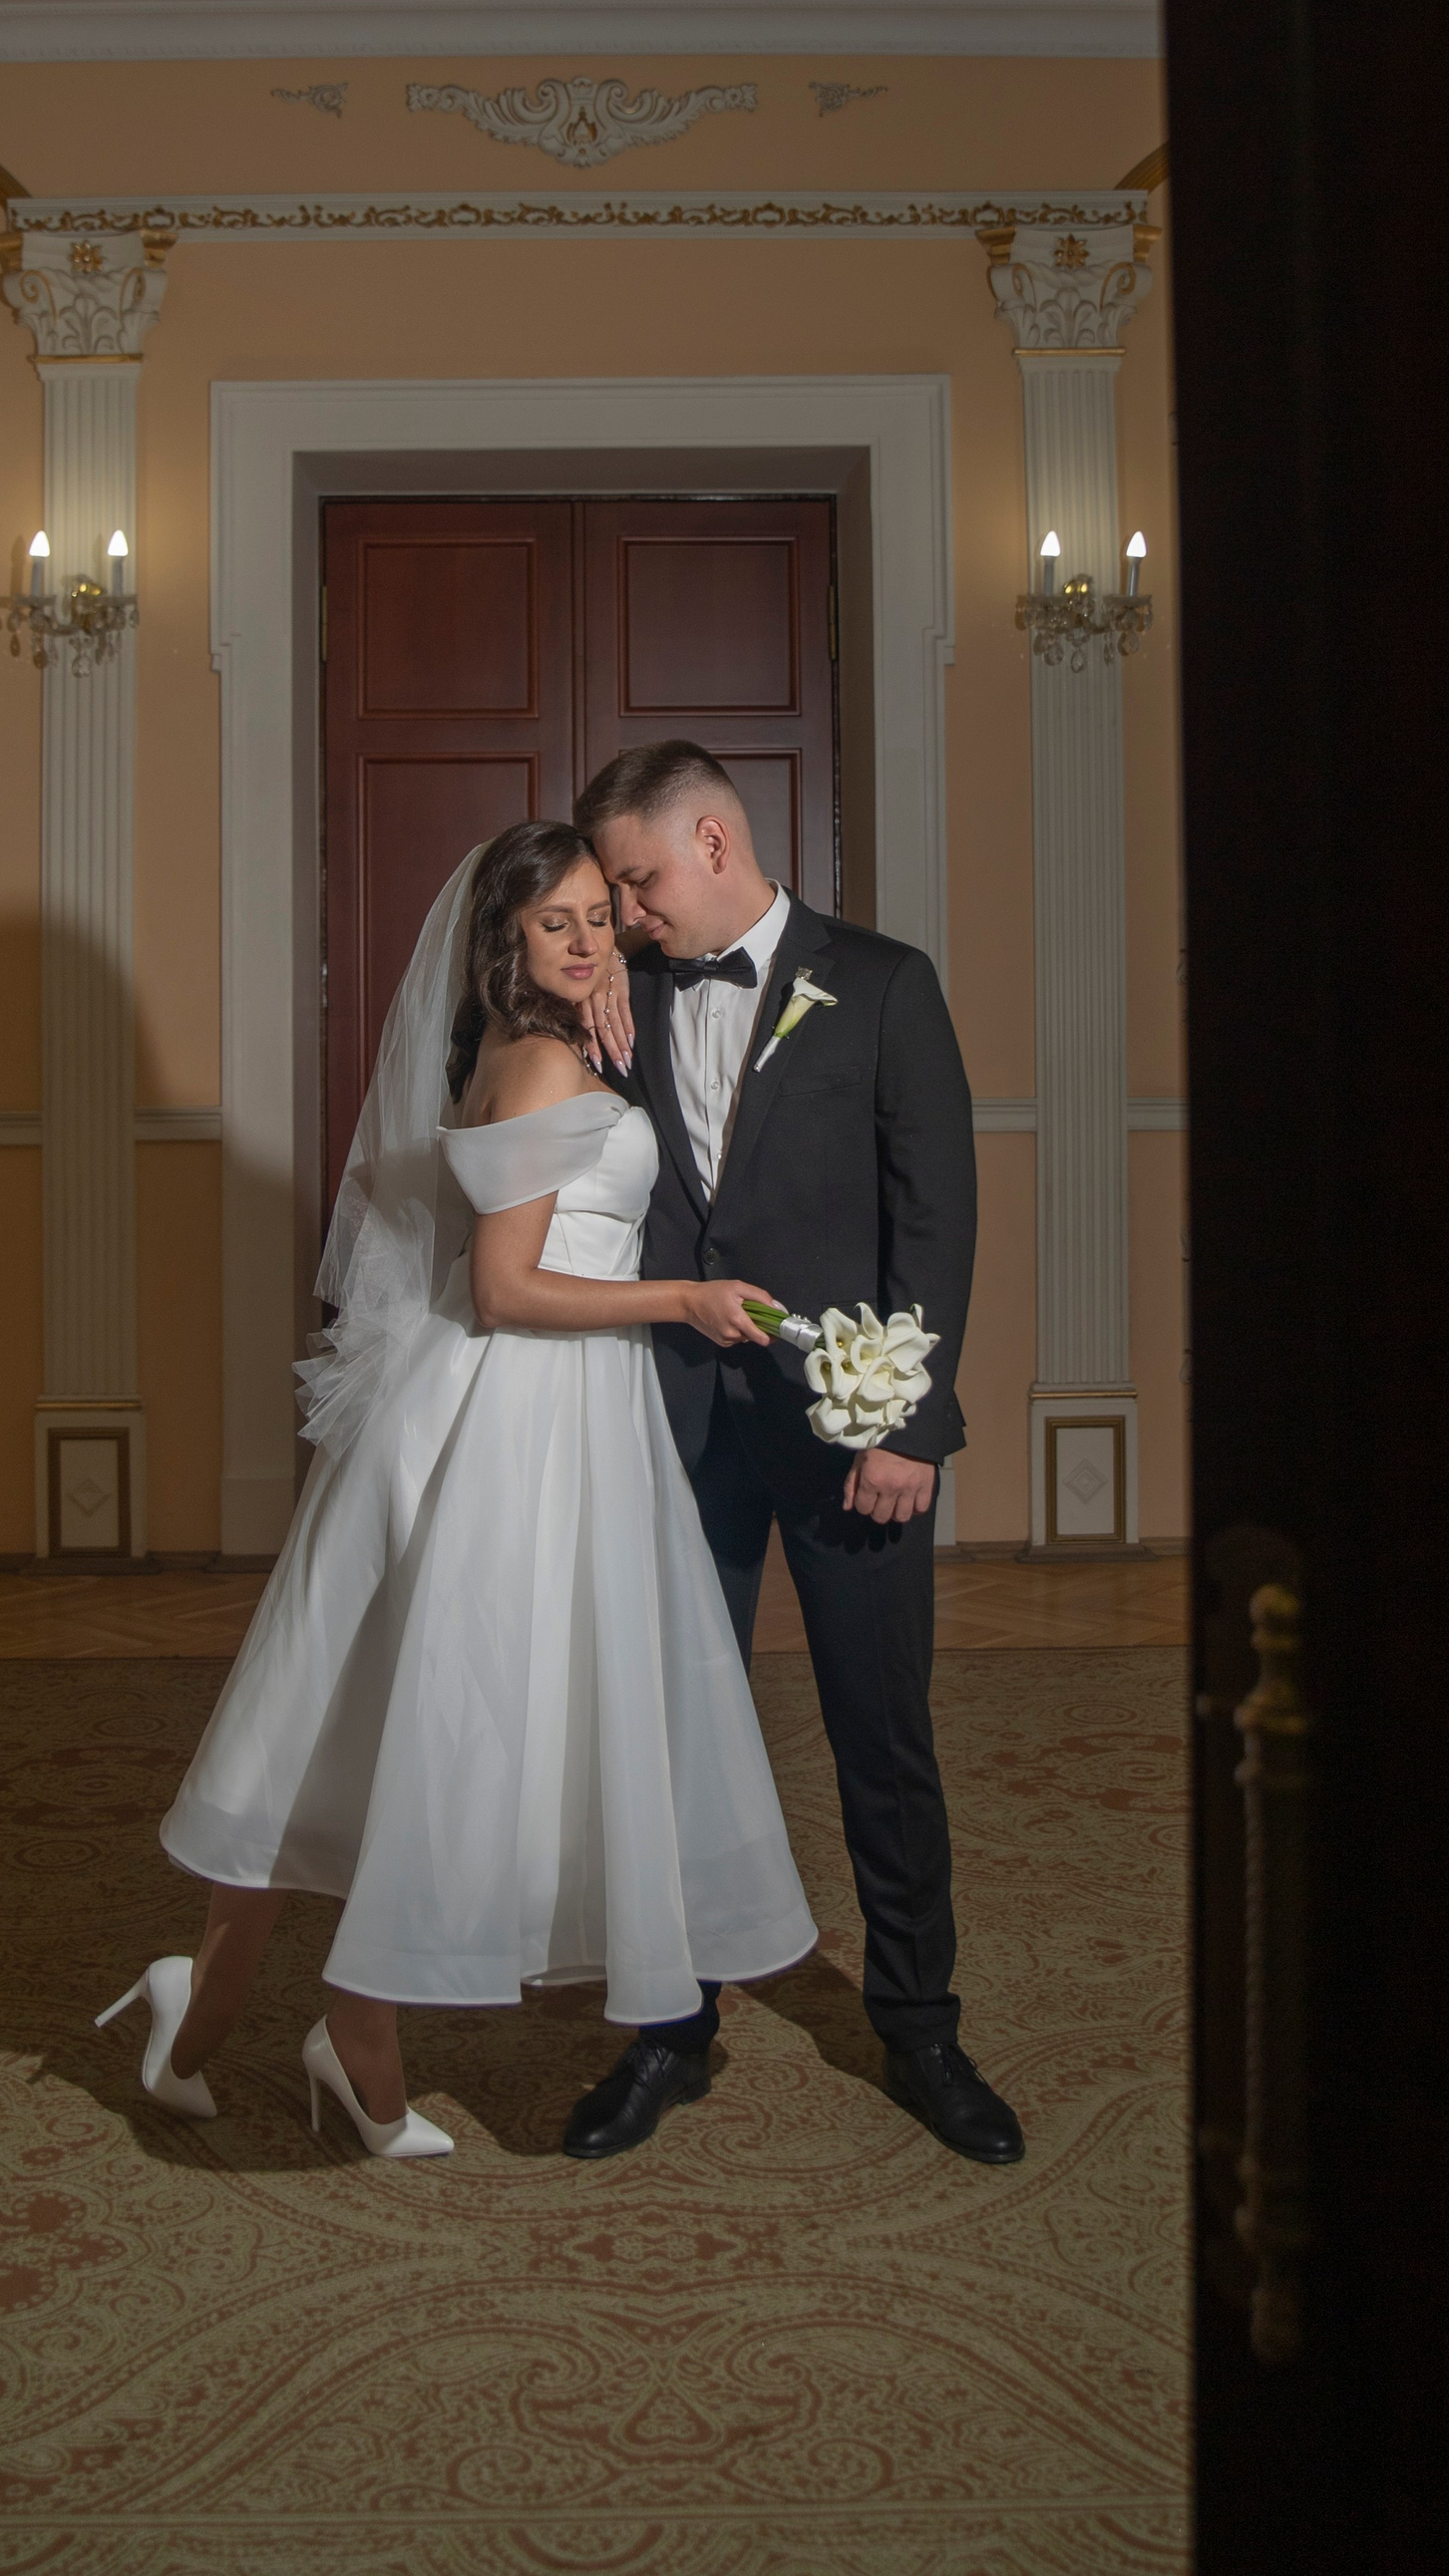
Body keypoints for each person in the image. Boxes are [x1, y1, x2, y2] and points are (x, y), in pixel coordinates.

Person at [97, 822, 817, 2159]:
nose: (591, 940)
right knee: (445, 1713)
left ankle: (206, 2020)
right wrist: (687, 1300)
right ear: (506, 941)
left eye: (601, 915)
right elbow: (503, 1288)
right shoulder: (541, 1061)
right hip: (516, 1411)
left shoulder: (514, 1043)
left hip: (513, 1405)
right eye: (558, 923)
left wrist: (601, 981)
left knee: (348, 1715)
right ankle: (348, 2031)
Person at [567, 739, 1024, 2168]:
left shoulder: (882, 985)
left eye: (636, 882)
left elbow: (936, 1219)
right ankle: (671, 2026)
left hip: (850, 1433)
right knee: (671, 1737)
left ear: (712, 844)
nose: (626, 912)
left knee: (882, 1733)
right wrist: (582, 977)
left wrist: (911, 1427)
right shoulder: (619, 991)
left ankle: (922, 2028)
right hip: (674, 1427)